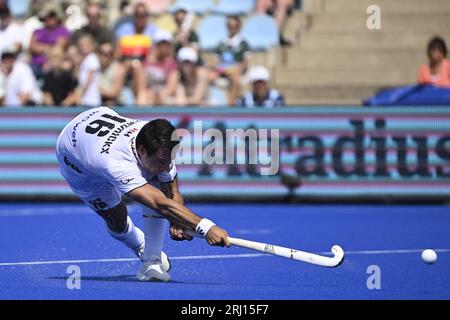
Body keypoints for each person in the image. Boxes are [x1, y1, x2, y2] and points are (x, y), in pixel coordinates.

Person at [56, 107, 231, 282]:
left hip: (99, 121)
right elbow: (159, 203)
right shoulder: (114, 163)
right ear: (141, 150)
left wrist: (177, 220)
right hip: (74, 156)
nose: (166, 166)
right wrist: (206, 227)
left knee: (158, 186)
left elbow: (171, 194)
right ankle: (138, 243)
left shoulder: (159, 146)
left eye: (169, 159)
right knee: (117, 219)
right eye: (162, 161)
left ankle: (151, 261)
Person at [209, 15, 251, 105]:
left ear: (238, 27)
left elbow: (246, 62)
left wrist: (238, 69)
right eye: (229, 26)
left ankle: (230, 104)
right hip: (221, 69)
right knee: (209, 77)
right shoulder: (222, 43)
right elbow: (215, 60)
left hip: (235, 69)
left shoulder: (243, 43)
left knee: (236, 79)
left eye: (234, 26)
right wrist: (218, 67)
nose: (231, 28)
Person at [29, 2, 71, 78]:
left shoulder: (63, 31)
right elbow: (32, 47)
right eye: (48, 16)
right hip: (36, 65)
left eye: (53, 16)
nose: (51, 19)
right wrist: (50, 47)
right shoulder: (37, 31)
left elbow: (59, 47)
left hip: (54, 65)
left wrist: (48, 59)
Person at [144, 29, 178, 105]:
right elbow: (143, 86)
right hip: (149, 97)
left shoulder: (172, 64)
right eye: (161, 43)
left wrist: (157, 95)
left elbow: (171, 89)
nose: (164, 47)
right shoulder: (147, 62)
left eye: (166, 44)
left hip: (164, 97)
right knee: (143, 98)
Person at [98, 42, 127, 106]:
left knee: (110, 102)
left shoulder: (119, 68)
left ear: (112, 55)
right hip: (96, 100)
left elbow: (114, 93)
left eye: (108, 53)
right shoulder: (94, 66)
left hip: (115, 104)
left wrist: (95, 90)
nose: (104, 56)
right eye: (101, 52)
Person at [76, 34, 101, 107]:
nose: (82, 48)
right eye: (81, 46)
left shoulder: (92, 58)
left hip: (91, 98)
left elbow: (89, 78)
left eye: (85, 45)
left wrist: (80, 93)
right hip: (86, 98)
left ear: (92, 45)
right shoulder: (86, 59)